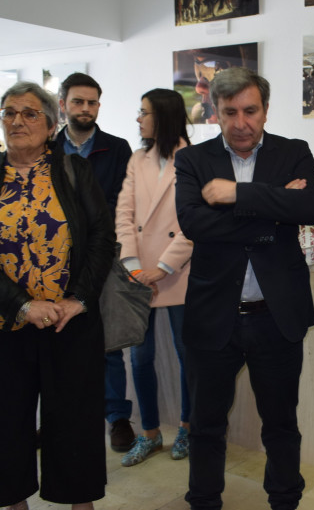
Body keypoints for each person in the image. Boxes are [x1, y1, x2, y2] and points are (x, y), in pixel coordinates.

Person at [0, 82, 114, 509]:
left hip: (68, 322)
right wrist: (20, 304)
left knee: (74, 421)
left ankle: (80, 502)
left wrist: (78, 299)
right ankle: (13, 501)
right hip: (2, 323)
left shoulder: (76, 172)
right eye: (9, 112)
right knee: (3, 421)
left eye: (29, 113)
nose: (17, 121)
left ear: (51, 123)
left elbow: (100, 238)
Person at [174, 67, 314, 510]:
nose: (242, 123)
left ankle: (284, 502)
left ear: (265, 110)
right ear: (215, 113)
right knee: (205, 425)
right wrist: (274, 206)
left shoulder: (293, 152)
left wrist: (236, 194)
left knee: (281, 425)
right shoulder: (193, 161)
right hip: (212, 317)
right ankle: (203, 502)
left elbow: (311, 207)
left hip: (276, 317)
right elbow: (194, 222)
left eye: (251, 111)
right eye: (231, 112)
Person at [54, 72, 136, 453]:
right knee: (54, 339)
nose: (85, 109)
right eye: (78, 101)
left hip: (101, 256)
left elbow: (123, 202)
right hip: (52, 259)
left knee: (107, 342)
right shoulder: (47, 148)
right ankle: (58, 418)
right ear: (63, 105)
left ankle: (117, 417)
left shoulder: (117, 149)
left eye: (92, 102)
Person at [117, 89, 194, 467]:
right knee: (140, 357)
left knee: (187, 355)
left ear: (162, 117)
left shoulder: (194, 159)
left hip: (177, 272)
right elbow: (124, 214)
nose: (138, 119)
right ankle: (148, 433)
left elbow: (193, 223)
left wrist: (162, 268)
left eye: (144, 112)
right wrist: (133, 266)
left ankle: (187, 428)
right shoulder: (137, 160)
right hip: (137, 275)